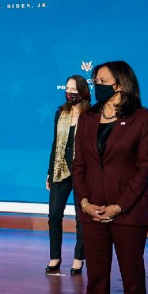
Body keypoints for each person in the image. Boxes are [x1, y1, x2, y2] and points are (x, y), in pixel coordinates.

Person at [72, 61, 148, 294]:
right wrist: (84, 202)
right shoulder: (88, 117)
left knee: (132, 282)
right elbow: (79, 164)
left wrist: (119, 206)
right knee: (96, 281)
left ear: (119, 84)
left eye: (102, 80)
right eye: (95, 80)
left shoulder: (142, 118)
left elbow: (144, 168)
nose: (96, 85)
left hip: (128, 213)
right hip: (91, 212)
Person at [45, 75, 90, 275]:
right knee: (54, 215)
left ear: (83, 91)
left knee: (81, 217)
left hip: (83, 172)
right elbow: (55, 144)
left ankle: (79, 258)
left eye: (73, 89)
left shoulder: (91, 115)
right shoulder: (60, 113)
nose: (69, 92)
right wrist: (49, 172)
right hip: (60, 169)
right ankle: (55, 256)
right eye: (67, 88)